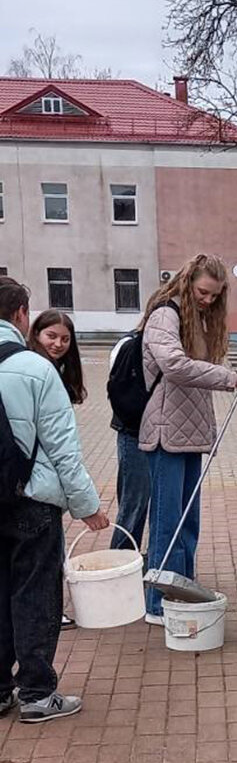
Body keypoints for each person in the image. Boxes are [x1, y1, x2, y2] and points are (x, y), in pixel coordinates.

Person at [0, 277, 109, 723]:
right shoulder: (35, 369)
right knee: (35, 595)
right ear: (22, 314)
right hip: (31, 501)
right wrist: (88, 507)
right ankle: (38, 694)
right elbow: (65, 451)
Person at [139, 254, 237, 625]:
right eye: (203, 292)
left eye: (215, 296)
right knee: (167, 520)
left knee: (188, 521)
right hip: (166, 434)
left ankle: (182, 586)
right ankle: (157, 602)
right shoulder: (165, 315)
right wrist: (228, 378)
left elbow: (195, 368)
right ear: (188, 282)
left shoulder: (197, 319)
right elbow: (174, 365)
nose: (208, 300)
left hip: (190, 434)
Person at [28, 310, 87, 631]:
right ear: (35, 332)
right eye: (51, 336)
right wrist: (85, 504)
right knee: (44, 556)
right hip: (37, 480)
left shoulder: (57, 370)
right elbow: (61, 445)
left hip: (43, 477)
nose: (58, 344)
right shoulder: (37, 371)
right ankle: (48, 615)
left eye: (65, 339)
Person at [108, 314, 152, 556]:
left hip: (144, 431)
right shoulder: (130, 345)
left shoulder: (137, 343)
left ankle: (133, 557)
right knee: (133, 502)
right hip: (133, 432)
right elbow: (118, 389)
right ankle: (121, 558)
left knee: (139, 500)